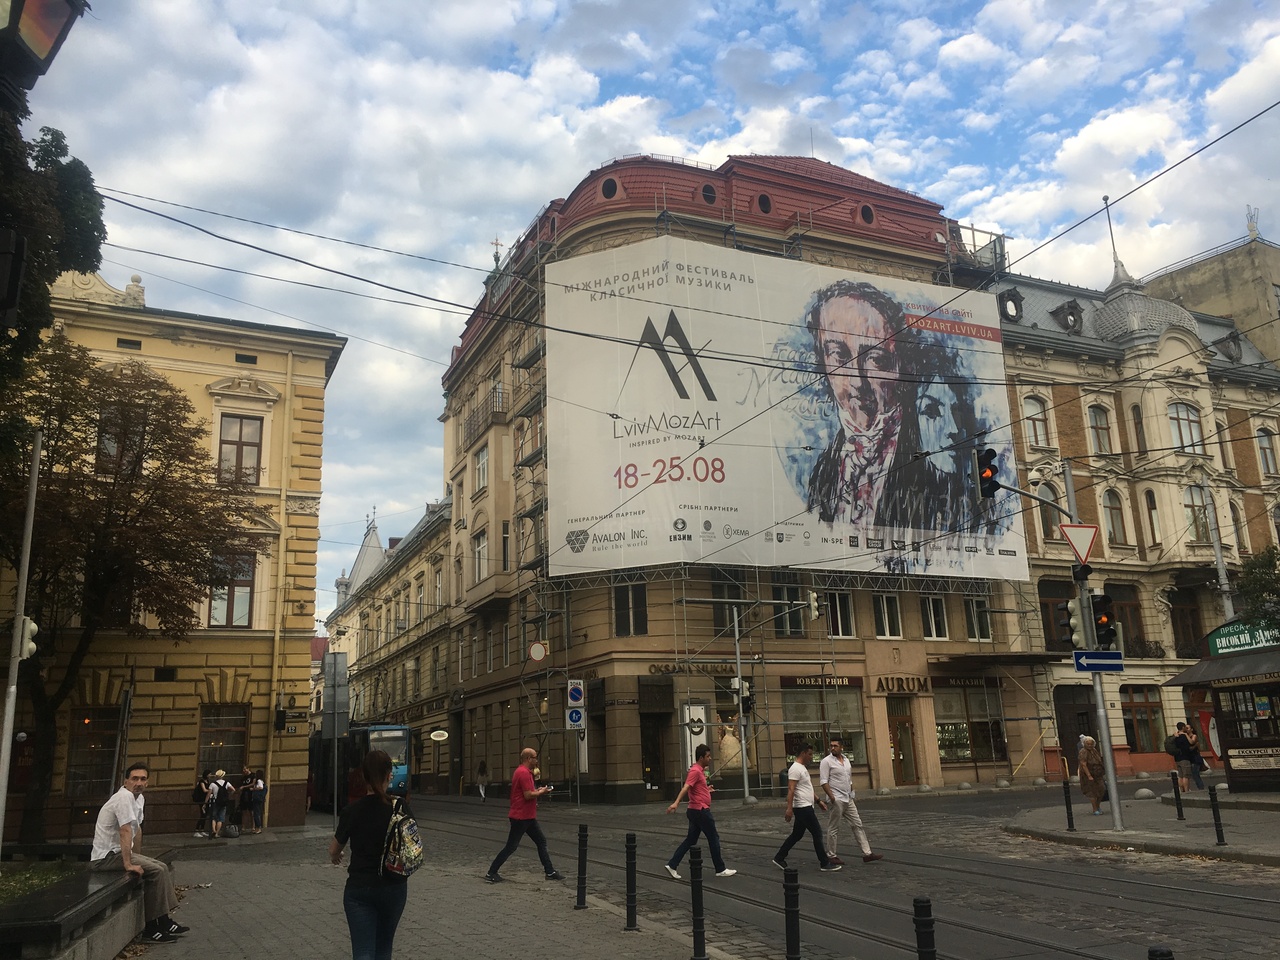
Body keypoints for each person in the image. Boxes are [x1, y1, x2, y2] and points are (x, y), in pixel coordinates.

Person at [804, 280, 913, 525]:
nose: (857, 381)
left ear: (902, 368)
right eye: (839, 355)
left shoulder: (939, 473)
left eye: (875, 359)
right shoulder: (822, 470)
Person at [89, 761, 188, 944]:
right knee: (157, 871)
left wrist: (139, 858)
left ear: (147, 783)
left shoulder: (139, 798)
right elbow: (125, 830)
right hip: (105, 858)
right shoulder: (124, 797)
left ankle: (164, 921)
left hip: (118, 854)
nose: (139, 783)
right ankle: (150, 928)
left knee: (161, 866)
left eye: (143, 779)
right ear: (125, 781)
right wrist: (129, 864)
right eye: (134, 779)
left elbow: (137, 831)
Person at [329, 750, 411, 960]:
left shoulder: (352, 811)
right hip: (393, 886)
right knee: (383, 948)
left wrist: (336, 856)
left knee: (363, 951)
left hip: (360, 888)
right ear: (389, 775)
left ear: (364, 777)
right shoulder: (400, 807)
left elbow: (334, 849)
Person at [484, 747, 563, 883]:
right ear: (528, 758)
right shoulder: (524, 773)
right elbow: (527, 795)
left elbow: (528, 791)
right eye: (535, 758)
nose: (536, 760)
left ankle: (549, 871)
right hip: (521, 817)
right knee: (511, 847)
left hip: (527, 816)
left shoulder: (523, 771)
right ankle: (491, 872)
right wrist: (542, 792)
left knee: (541, 841)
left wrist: (538, 790)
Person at [664, 743, 736, 880]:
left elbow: (695, 789)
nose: (710, 759)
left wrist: (706, 790)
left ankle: (672, 864)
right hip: (700, 810)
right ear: (701, 758)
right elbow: (686, 787)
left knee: (691, 839)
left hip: (695, 810)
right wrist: (676, 803)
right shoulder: (695, 771)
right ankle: (720, 869)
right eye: (708, 756)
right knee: (713, 838)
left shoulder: (699, 771)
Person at [772, 743, 840, 872]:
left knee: (797, 835)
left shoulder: (801, 768)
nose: (811, 757)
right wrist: (789, 808)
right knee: (817, 833)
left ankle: (779, 857)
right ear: (803, 753)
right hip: (802, 807)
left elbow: (806, 788)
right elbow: (791, 789)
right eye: (809, 754)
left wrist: (818, 801)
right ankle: (824, 862)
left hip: (806, 806)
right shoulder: (795, 769)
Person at [818, 738, 882, 865]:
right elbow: (824, 781)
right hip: (837, 798)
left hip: (848, 798)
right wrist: (832, 797)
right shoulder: (826, 761)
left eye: (835, 746)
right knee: (834, 827)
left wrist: (852, 792)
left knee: (857, 824)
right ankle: (831, 855)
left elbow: (849, 779)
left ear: (841, 747)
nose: (832, 748)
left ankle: (867, 853)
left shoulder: (846, 760)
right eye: (831, 746)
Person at [1077, 736, 1107, 815]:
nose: (1090, 745)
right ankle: (1095, 809)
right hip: (1088, 775)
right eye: (1088, 744)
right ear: (1084, 744)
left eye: (1091, 744)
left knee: (1102, 789)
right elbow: (1083, 764)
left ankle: (1097, 806)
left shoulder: (1094, 751)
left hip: (1098, 774)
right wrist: (1089, 775)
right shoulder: (1083, 751)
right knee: (1092, 792)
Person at [208, 768, 234, 838]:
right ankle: (217, 833)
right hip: (223, 802)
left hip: (215, 802)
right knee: (220, 818)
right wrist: (228, 795)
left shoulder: (213, 784)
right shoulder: (226, 783)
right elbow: (233, 789)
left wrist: (205, 802)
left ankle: (213, 830)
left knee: (213, 817)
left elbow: (209, 794)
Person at [1179, 721, 1205, 790]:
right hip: (1190, 758)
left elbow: (1192, 743)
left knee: (1195, 775)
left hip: (1195, 758)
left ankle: (1201, 788)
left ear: (1192, 729)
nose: (1186, 729)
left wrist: (1185, 735)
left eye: (1187, 728)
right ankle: (1199, 787)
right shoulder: (1185, 736)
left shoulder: (1193, 736)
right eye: (1185, 728)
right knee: (1193, 775)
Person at [1172, 723, 1194, 793]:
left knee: (1180, 776)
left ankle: (1181, 790)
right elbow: (1191, 743)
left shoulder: (1175, 736)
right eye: (1185, 727)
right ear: (1183, 727)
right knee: (1186, 775)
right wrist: (1186, 735)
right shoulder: (1184, 736)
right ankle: (1186, 790)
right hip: (1185, 757)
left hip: (1177, 758)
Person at [193, 768, 212, 838]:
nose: (210, 775)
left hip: (206, 799)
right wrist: (210, 791)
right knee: (202, 815)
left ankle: (202, 830)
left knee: (205, 815)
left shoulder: (208, 781)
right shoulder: (202, 781)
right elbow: (204, 790)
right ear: (206, 774)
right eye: (209, 774)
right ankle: (196, 830)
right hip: (201, 800)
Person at [248, 769, 267, 833]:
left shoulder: (259, 781)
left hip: (257, 799)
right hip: (259, 799)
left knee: (256, 813)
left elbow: (261, 787)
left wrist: (253, 789)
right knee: (256, 813)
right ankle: (257, 828)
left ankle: (258, 828)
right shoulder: (261, 781)